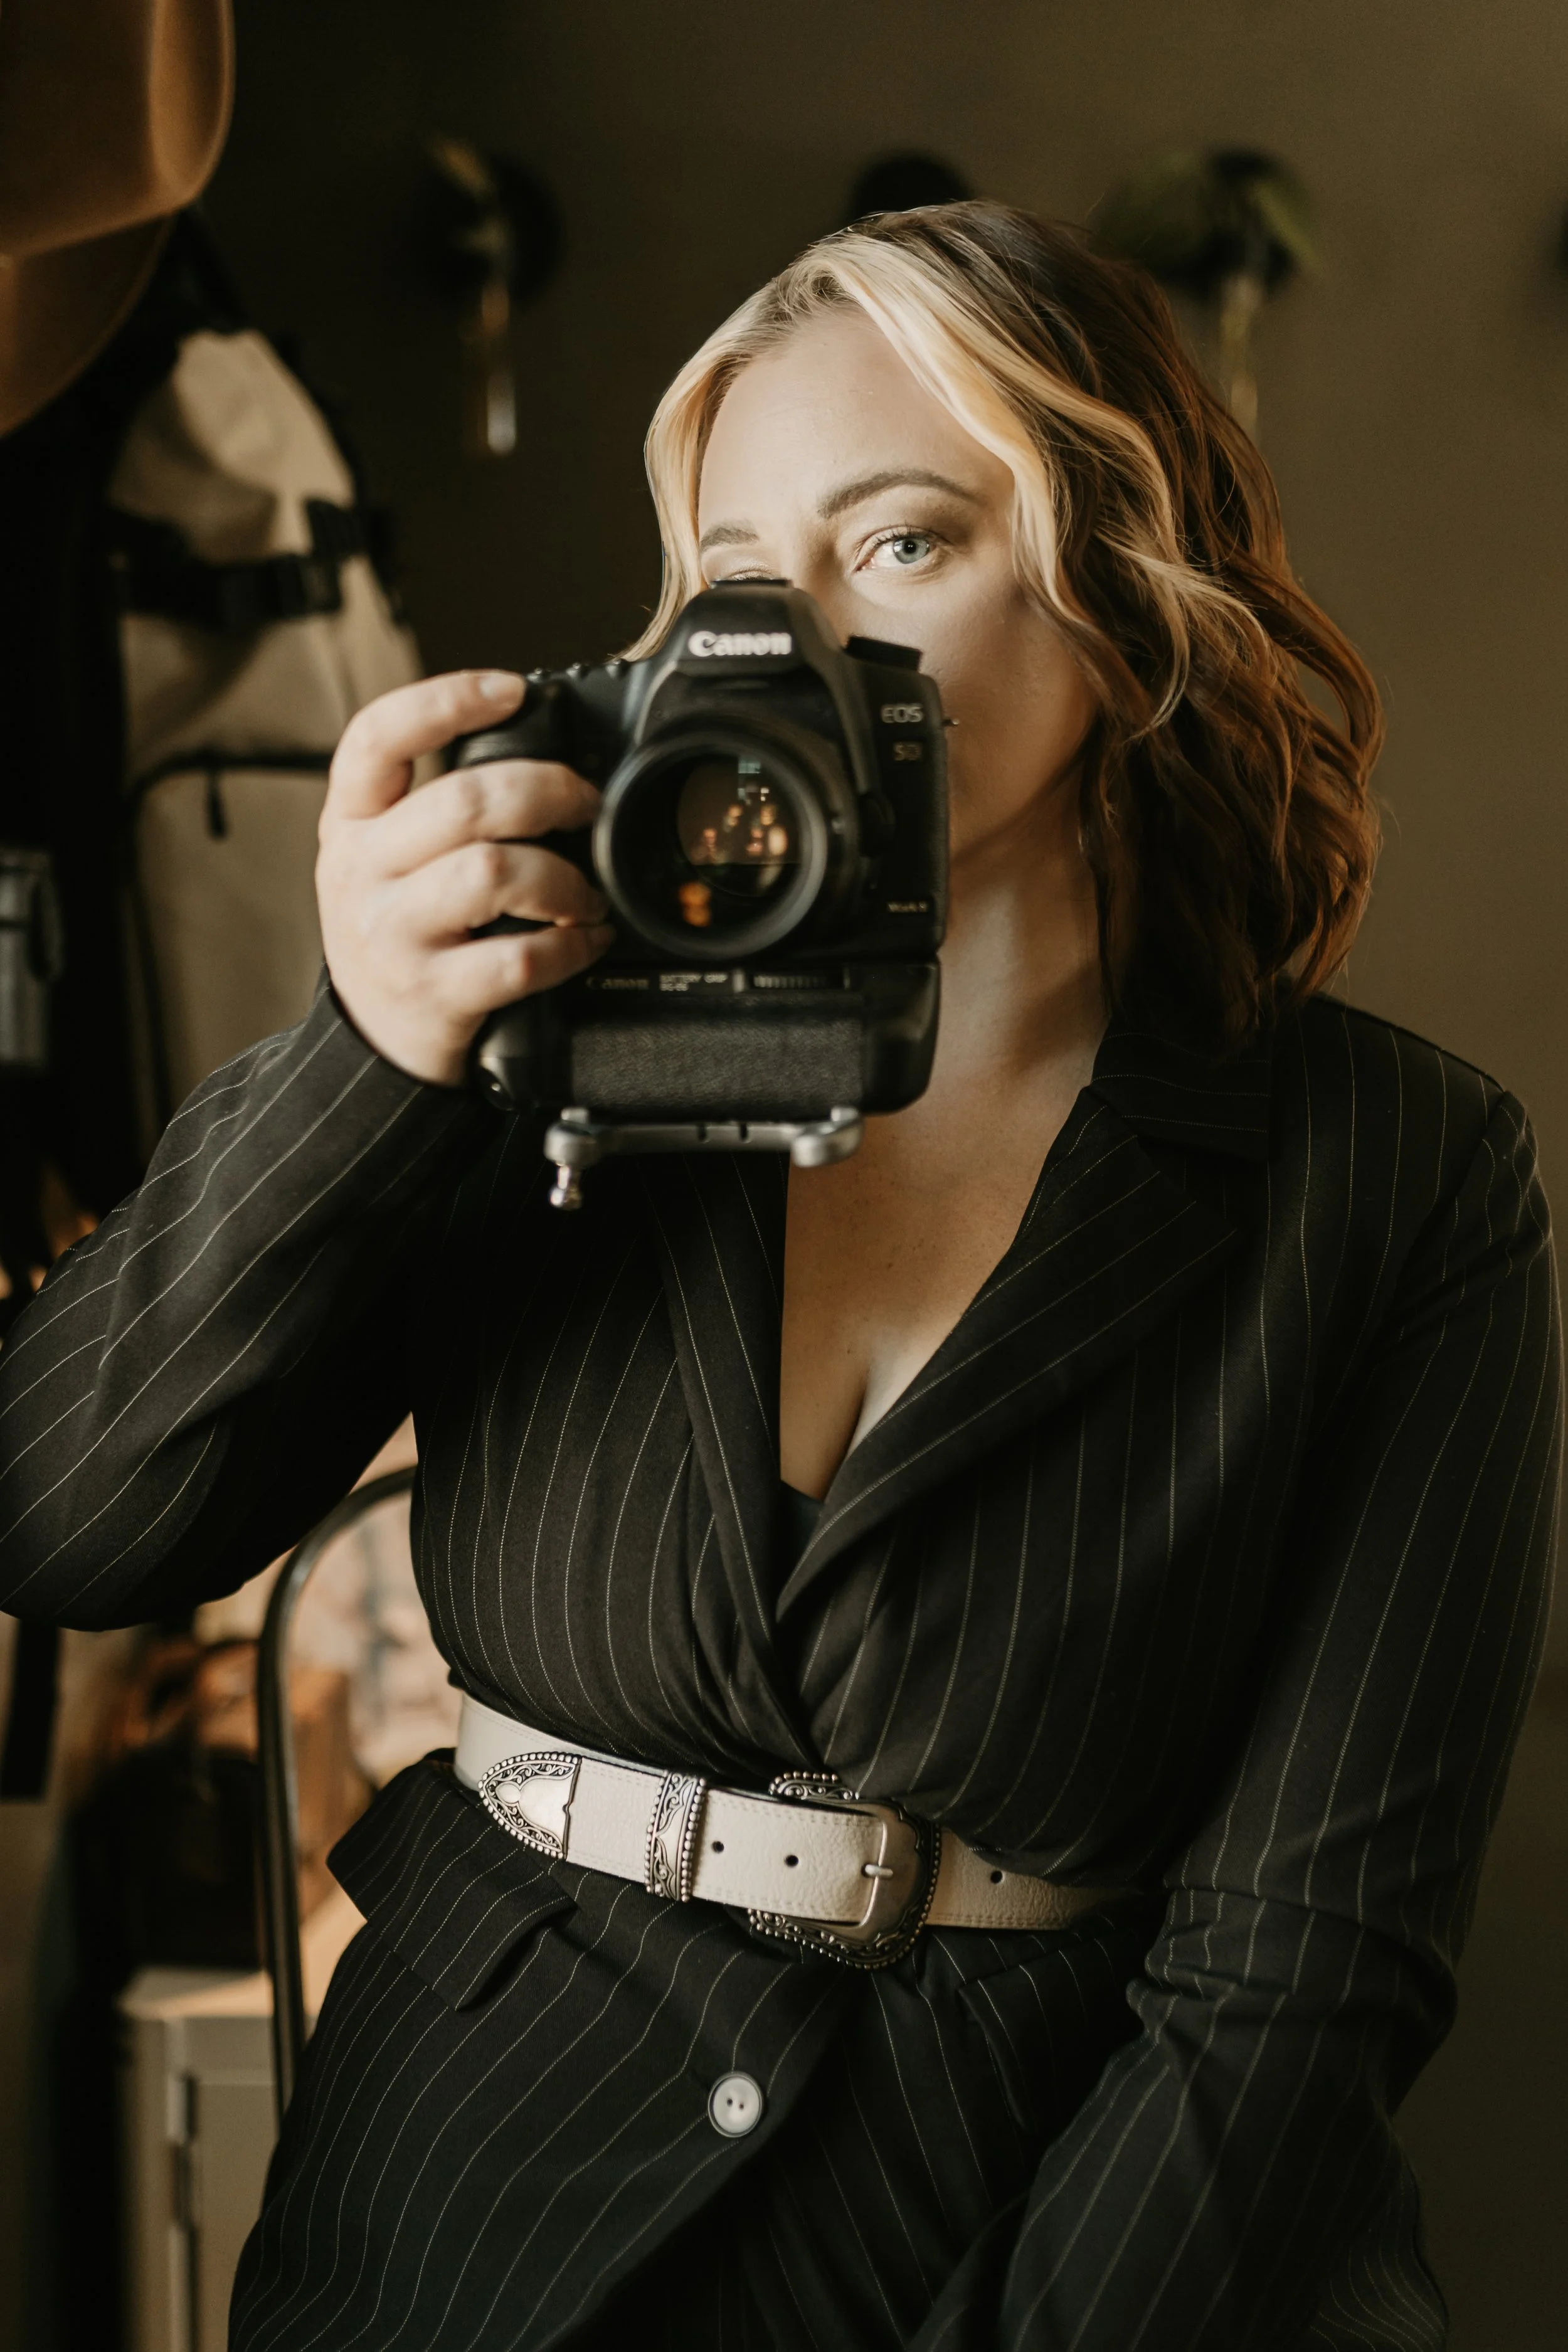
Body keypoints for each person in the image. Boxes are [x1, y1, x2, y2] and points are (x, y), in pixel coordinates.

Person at [0, 204, 1557, 2351]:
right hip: (467, 2231)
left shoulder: (1397, 1177)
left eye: (898, 543)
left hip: (1064, 2240)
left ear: (1116, 597)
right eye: (733, 572)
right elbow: (66, 1520)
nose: (789, 637)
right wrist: (368, 1050)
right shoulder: (529, 1041)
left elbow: (1304, 1974)